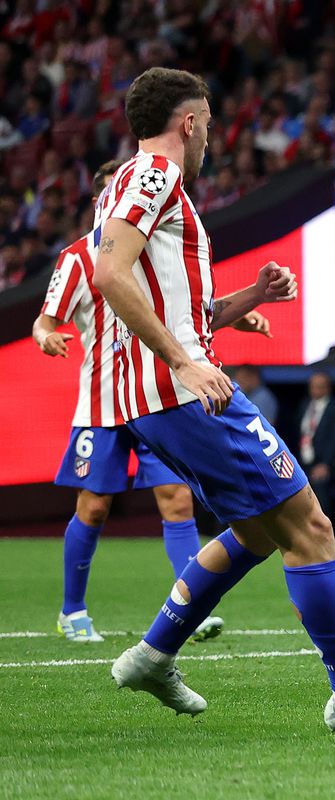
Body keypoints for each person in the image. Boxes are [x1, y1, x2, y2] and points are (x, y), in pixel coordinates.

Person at [93, 68, 335, 733]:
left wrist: (251, 297)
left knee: (255, 532)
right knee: (310, 528)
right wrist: (184, 361)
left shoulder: (137, 186)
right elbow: (109, 274)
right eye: (209, 125)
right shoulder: (154, 176)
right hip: (184, 393)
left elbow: (175, 308)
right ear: (190, 122)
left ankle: (154, 654)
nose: (210, 139)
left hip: (156, 397)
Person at [32, 161, 246, 644]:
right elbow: (45, 320)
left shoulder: (158, 249)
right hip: (102, 405)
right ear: (100, 202)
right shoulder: (78, 258)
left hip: (153, 396)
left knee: (177, 500)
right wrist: (46, 336)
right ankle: (72, 610)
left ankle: (191, 606)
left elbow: (188, 310)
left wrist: (239, 313)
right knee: (94, 507)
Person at [296, 372, 335, 531]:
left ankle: (325, 530)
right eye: (313, 387)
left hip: (326, 463)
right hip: (304, 459)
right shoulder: (305, 405)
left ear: (328, 388)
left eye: (320, 387)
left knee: (321, 492)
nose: (315, 390)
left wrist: (326, 463)